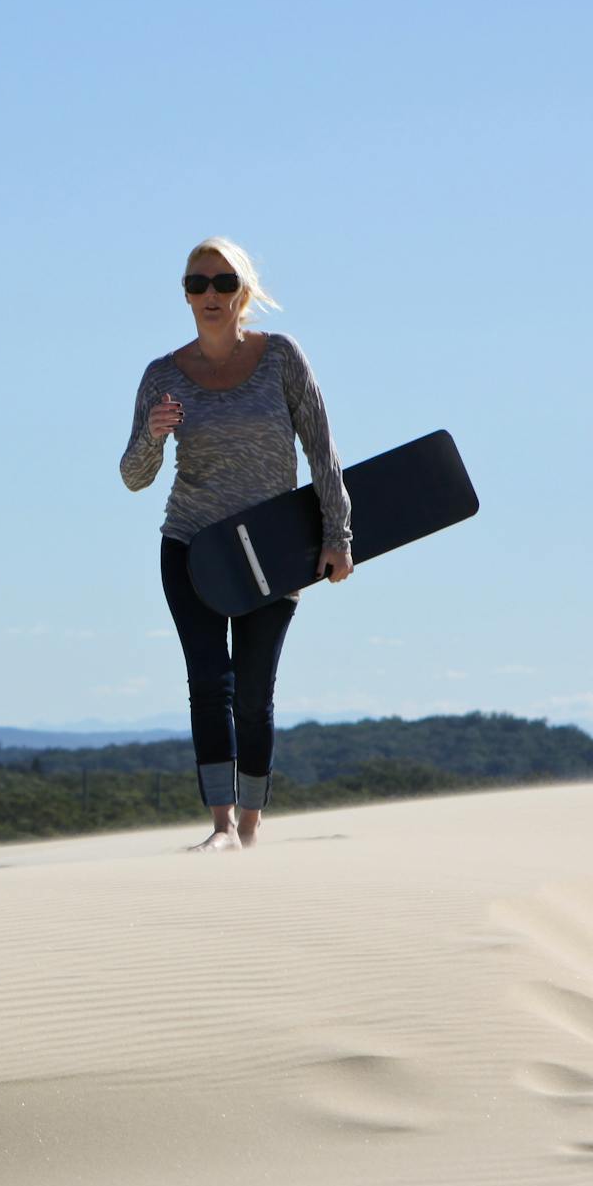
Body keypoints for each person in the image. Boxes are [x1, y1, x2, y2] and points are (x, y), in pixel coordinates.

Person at [119, 237, 353, 851]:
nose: (210, 295)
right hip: (192, 546)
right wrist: (152, 434)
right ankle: (221, 825)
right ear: (185, 294)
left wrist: (338, 535)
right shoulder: (163, 376)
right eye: (197, 284)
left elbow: (322, 450)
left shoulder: (281, 358)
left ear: (243, 291)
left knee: (253, 691)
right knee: (208, 683)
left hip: (272, 549)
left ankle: (251, 824)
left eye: (223, 283)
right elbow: (134, 476)